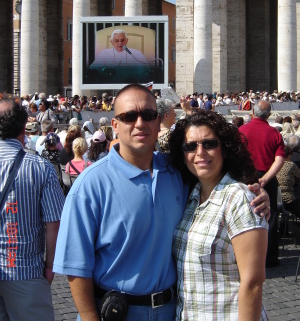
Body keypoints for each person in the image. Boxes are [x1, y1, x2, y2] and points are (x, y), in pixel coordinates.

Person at [53, 84, 270, 321]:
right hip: (117, 312)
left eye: (148, 115)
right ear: (115, 125)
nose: (139, 123)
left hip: (171, 310)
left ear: (158, 122)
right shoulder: (90, 184)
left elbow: (215, 183)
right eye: (128, 116)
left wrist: (254, 193)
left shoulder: (177, 173)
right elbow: (75, 267)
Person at [169, 111, 268, 320]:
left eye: (209, 144)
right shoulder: (190, 196)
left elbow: (253, 282)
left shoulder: (240, 198)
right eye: (190, 146)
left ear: (225, 148)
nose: (200, 152)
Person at [0, 97, 65, 321]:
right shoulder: (41, 167)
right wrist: (50, 266)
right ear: (23, 128)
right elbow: (54, 223)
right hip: (26, 272)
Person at [239, 100, 285, 267]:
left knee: (245, 214)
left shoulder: (241, 131)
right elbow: (280, 160)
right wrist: (266, 178)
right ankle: (270, 257)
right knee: (269, 216)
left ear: (252, 113)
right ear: (269, 115)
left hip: (245, 178)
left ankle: (246, 255)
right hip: (267, 178)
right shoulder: (274, 133)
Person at [276, 146, 300, 217]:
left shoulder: (275, 164)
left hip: (276, 198)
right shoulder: (291, 165)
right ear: (290, 154)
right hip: (288, 199)